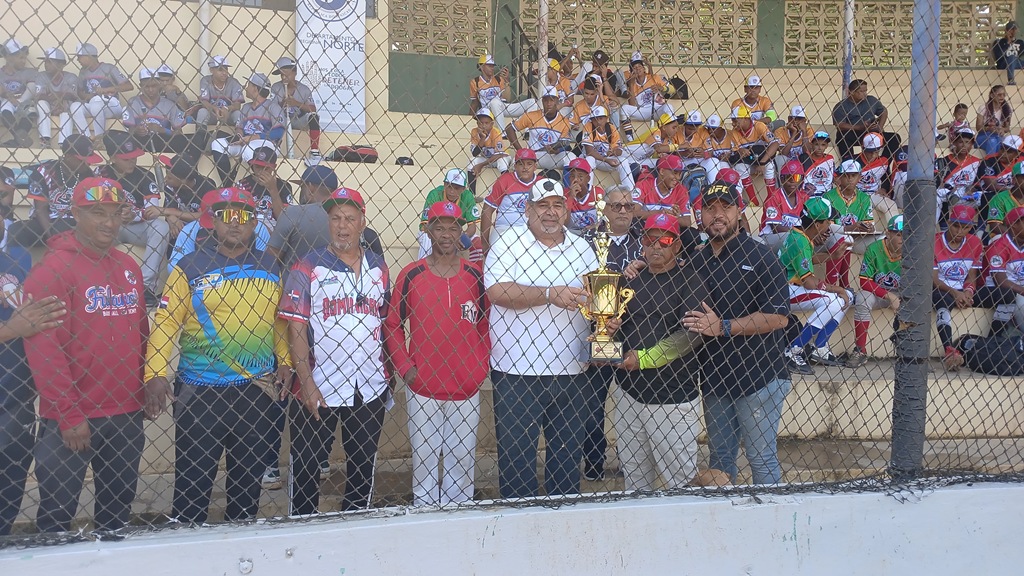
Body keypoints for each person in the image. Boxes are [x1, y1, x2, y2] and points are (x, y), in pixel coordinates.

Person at [145, 187, 292, 525]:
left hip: (256, 391)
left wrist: (285, 359)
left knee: (246, 489)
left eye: (243, 216)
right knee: (192, 487)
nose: (235, 223)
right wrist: (154, 374)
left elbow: (279, 321)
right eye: (226, 216)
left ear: (254, 223)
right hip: (200, 392)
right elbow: (166, 322)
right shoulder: (188, 266)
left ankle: (239, 541)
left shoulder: (271, 266)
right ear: (213, 221)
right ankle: (186, 538)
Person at [24, 177, 147, 534]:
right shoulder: (52, 270)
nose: (109, 222)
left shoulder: (129, 267)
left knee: (116, 514)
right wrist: (67, 413)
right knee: (57, 516)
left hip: (126, 411)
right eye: (97, 213)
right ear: (76, 214)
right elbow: (45, 350)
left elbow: (142, 334)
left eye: (116, 213)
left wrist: (149, 381)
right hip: (73, 415)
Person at [483, 178, 598, 498]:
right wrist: (549, 294)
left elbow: (596, 297)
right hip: (516, 370)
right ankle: (519, 519)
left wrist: (606, 320)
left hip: (572, 370)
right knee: (517, 461)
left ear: (566, 210)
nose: (550, 212)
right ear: (528, 209)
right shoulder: (508, 242)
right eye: (543, 205)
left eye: (557, 205)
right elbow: (497, 291)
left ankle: (562, 519)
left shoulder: (582, 248)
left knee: (566, 461)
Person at [278, 187, 390, 513]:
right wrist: (306, 382)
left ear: (362, 222)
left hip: (368, 385)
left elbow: (384, 322)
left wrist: (387, 374)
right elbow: (296, 328)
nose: (342, 226)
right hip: (320, 384)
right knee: (307, 464)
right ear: (328, 222)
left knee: (362, 465)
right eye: (336, 218)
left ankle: (355, 523)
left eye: (350, 219)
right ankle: (303, 525)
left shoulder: (378, 267)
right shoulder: (307, 267)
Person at [679, 182, 792, 484]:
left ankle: (770, 513)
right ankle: (726, 513)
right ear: (700, 215)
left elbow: (779, 318)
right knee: (720, 459)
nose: (717, 214)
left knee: (761, 457)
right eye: (709, 208)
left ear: (739, 212)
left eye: (725, 207)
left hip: (760, 376)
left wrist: (723, 327)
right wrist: (640, 266)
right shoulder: (697, 260)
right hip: (715, 378)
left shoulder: (762, 256)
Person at [384, 201, 489, 506]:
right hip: (423, 385)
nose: (446, 234)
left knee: (462, 461)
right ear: (428, 231)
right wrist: (405, 367)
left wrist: (479, 367)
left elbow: (485, 324)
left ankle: (459, 514)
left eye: (453, 227)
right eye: (439, 227)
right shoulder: (411, 274)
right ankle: (425, 512)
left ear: (461, 232)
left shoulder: (475, 275)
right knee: (425, 460)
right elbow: (392, 324)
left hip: (466, 385)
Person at [601, 213, 707, 490]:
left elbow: (692, 335)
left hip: (671, 398)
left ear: (677, 245)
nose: (656, 246)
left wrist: (644, 359)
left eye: (665, 240)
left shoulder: (690, 280)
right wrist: (609, 332)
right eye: (650, 240)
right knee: (635, 481)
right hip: (629, 394)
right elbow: (619, 326)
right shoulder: (631, 280)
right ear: (642, 244)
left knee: (682, 484)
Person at [0, 214, 66, 537]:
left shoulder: (17, 258)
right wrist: (10, 330)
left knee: (10, 483)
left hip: (17, 393)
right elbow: (20, 324)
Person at [577, 188, 643, 480]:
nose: (623, 211)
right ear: (605, 210)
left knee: (636, 403)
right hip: (597, 333)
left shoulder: (645, 243)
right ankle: (594, 464)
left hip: (636, 334)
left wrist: (644, 267)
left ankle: (633, 466)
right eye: (616, 206)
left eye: (628, 206)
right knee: (593, 404)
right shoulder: (586, 242)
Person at [95, 130, 170, 306]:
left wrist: (134, 215)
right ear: (113, 158)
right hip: (109, 226)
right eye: (126, 158)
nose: (132, 161)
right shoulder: (100, 174)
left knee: (161, 226)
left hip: (136, 227)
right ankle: (96, 282)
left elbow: (152, 210)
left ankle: (145, 287)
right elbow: (93, 206)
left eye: (133, 157)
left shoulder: (145, 175)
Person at [780, 197, 853, 374]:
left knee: (848, 297)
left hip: (792, 288)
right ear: (818, 224)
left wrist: (832, 256)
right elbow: (809, 282)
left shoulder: (802, 235)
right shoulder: (800, 241)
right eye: (828, 221)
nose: (830, 224)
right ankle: (793, 350)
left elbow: (808, 260)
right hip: (783, 291)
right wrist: (838, 288)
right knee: (832, 300)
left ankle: (819, 347)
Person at [9, 134, 100, 247]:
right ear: (68, 156)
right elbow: (40, 210)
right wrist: (53, 238)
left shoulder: (89, 175)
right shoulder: (44, 171)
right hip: (45, 222)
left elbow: (91, 207)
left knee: (65, 226)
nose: (88, 163)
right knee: (16, 230)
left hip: (76, 222)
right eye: (83, 160)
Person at [847, 215, 904, 368]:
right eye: (898, 234)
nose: (903, 239)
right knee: (862, 298)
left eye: (906, 235)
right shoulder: (874, 248)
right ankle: (860, 350)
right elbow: (865, 282)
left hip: (903, 294)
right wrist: (889, 296)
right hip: (879, 293)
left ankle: (912, 351)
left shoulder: (912, 251)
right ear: (888, 233)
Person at [933, 205, 984, 370]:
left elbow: (971, 276)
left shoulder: (975, 242)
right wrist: (955, 293)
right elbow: (933, 279)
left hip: (962, 290)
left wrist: (968, 291)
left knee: (1005, 295)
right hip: (941, 289)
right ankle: (950, 350)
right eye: (956, 225)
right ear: (948, 223)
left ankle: (992, 344)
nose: (960, 231)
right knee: (942, 299)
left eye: (966, 227)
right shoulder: (934, 241)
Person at [210, 73, 285, 186]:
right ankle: (228, 184)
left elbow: (279, 132)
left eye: (249, 84)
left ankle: (257, 186)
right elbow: (239, 128)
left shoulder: (273, 107)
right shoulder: (246, 107)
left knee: (248, 149)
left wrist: (255, 137)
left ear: (255, 88)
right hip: (246, 142)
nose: (245, 87)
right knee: (217, 144)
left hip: (267, 145)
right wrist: (240, 137)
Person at [122, 68, 206, 158]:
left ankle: (189, 165)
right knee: (121, 138)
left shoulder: (169, 104)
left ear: (159, 85)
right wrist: (137, 130)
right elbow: (130, 130)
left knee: (196, 139)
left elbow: (179, 133)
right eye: (146, 86)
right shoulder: (133, 102)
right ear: (140, 86)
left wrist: (161, 130)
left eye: (154, 86)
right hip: (141, 141)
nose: (150, 89)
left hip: (163, 141)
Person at [823, 159, 876, 288]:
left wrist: (869, 228)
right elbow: (828, 227)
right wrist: (849, 228)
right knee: (844, 238)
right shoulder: (828, 197)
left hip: (858, 238)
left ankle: (875, 281)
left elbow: (869, 222)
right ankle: (838, 284)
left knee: (882, 239)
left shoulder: (864, 198)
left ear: (859, 178)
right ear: (840, 178)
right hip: (834, 238)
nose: (850, 179)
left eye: (854, 175)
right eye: (847, 175)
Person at [481, 148, 540, 250]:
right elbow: (487, 210)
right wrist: (484, 242)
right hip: (504, 229)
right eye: (521, 164)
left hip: (533, 229)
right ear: (515, 166)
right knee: (499, 249)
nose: (525, 168)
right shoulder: (504, 180)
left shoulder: (541, 183)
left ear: (535, 166)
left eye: (529, 164)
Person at [506, 86, 575, 172]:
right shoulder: (532, 116)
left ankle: (567, 181)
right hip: (533, 155)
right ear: (542, 101)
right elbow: (509, 128)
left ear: (557, 101)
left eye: (552, 100)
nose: (549, 103)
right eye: (546, 100)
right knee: (515, 162)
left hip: (552, 157)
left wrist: (555, 150)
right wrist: (521, 151)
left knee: (570, 157)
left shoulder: (564, 121)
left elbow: (565, 144)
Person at [72, 42, 133, 139]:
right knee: (75, 106)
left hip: (111, 104)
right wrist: (88, 96)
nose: (77, 60)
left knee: (96, 105)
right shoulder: (83, 71)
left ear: (89, 56)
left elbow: (129, 86)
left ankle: (99, 139)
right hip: (92, 104)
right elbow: (80, 92)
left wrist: (106, 90)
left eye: (80, 57)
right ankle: (86, 138)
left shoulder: (109, 68)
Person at [417, 168, 481, 260]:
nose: (452, 191)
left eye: (456, 188)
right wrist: (442, 235)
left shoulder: (467, 196)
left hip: (455, 232)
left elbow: (472, 226)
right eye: (449, 186)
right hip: (433, 231)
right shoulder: (435, 194)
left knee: (477, 243)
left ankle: (475, 270)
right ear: (444, 184)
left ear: (463, 189)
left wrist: (463, 236)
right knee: (427, 239)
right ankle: (423, 268)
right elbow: (426, 226)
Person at [148, 154, 217, 238]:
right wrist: (171, 217)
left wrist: (165, 211)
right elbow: (170, 209)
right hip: (179, 226)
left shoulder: (207, 185)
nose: (165, 179)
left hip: (203, 229)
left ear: (184, 181)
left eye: (169, 178)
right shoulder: (169, 186)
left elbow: (204, 216)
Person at [978, 206, 1024, 333]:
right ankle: (998, 335)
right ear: (1013, 225)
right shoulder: (999, 246)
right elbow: (1001, 282)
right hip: (996, 291)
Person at [831, 79, 901, 160]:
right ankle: (849, 162)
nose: (865, 93)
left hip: (871, 132)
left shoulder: (871, 100)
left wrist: (880, 126)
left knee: (894, 138)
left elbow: (883, 111)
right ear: (852, 92)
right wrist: (860, 127)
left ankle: (884, 162)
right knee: (842, 138)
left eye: (866, 91)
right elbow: (840, 125)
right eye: (861, 91)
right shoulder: (841, 106)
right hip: (852, 133)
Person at [270, 57, 322, 160]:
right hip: (282, 120)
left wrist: (296, 103)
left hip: (298, 120)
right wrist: (282, 104)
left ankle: (314, 151)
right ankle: (274, 148)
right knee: (272, 118)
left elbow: (313, 109)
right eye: (281, 75)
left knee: (314, 116)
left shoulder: (304, 89)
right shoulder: (275, 87)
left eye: (286, 74)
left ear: (294, 73)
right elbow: (270, 109)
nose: (283, 77)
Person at [33, 47, 85, 148]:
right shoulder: (41, 75)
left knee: (67, 109)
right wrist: (59, 96)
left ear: (61, 64)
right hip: (48, 106)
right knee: (41, 103)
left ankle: (63, 143)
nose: (46, 64)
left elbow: (72, 96)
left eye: (49, 62)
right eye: (45, 61)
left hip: (65, 107)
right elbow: (39, 96)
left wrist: (57, 96)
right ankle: (45, 140)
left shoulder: (71, 77)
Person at [729, 105, 780, 204]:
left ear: (745, 119)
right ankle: (754, 201)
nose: (733, 123)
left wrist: (762, 162)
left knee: (770, 166)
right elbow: (733, 154)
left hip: (763, 159)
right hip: (749, 161)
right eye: (732, 120)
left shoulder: (759, 126)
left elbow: (775, 144)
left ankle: (771, 198)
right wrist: (740, 150)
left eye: (735, 120)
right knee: (739, 167)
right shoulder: (734, 132)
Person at [233, 145, 293, 229]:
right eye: (257, 167)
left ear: (274, 167)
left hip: (276, 228)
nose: (261, 171)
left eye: (266, 168)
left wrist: (273, 189)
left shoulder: (284, 186)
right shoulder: (242, 184)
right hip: (249, 227)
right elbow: (237, 215)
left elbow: (285, 219)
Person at [932, 128, 982, 222]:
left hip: (967, 196)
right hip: (948, 195)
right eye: (960, 142)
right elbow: (938, 183)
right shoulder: (944, 161)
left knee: (983, 196)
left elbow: (978, 184)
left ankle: (980, 227)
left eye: (967, 142)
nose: (964, 145)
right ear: (954, 143)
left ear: (972, 145)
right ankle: (937, 226)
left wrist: (971, 191)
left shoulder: (977, 162)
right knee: (938, 196)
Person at [760, 159, 810, 252]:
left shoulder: (804, 198)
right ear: (782, 179)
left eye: (796, 177)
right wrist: (804, 234)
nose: (792, 181)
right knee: (796, 240)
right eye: (788, 177)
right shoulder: (774, 197)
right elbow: (776, 228)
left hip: (797, 236)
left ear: (802, 180)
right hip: (770, 237)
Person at [631, 154, 693, 226]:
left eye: (680, 174)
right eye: (675, 173)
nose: (678, 178)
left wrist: (675, 218)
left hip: (670, 229)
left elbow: (687, 222)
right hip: (645, 228)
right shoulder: (644, 185)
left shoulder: (681, 190)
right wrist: (659, 213)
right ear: (662, 171)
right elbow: (632, 213)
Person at [618, 52, 673, 129]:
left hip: (657, 109)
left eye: (639, 66)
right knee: (624, 108)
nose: (637, 69)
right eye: (635, 68)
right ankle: (630, 136)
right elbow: (632, 105)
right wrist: (631, 85)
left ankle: (668, 133)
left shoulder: (653, 77)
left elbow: (673, 90)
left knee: (669, 107)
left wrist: (662, 88)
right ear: (632, 72)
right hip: (642, 111)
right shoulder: (631, 84)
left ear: (644, 69)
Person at [582, 106, 631, 189]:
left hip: (606, 160)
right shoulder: (588, 126)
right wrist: (606, 160)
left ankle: (630, 191)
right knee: (589, 159)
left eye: (601, 118)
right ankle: (588, 190)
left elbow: (618, 149)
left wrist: (614, 152)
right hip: (594, 160)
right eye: (595, 119)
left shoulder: (611, 128)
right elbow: (589, 152)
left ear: (606, 118)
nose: (598, 122)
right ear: (592, 120)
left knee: (624, 161)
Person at [0, 39, 38, 147]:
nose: (24, 61)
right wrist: (9, 97)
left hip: (24, 101)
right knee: (5, 108)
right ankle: (21, 139)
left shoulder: (29, 72)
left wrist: (20, 101)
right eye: (20, 58)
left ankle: (16, 142)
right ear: (8, 57)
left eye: (25, 58)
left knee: (30, 110)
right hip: (6, 101)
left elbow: (32, 88)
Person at [196, 55, 244, 137]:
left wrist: (227, 108)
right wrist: (215, 109)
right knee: (202, 112)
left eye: (226, 69)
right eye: (220, 70)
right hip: (213, 114)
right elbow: (204, 102)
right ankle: (199, 139)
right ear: (211, 70)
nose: (224, 73)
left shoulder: (233, 82)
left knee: (238, 114)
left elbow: (237, 105)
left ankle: (238, 138)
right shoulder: (205, 80)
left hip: (228, 115)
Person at [466, 109, 510, 193]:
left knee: (502, 163)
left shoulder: (495, 132)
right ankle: (472, 194)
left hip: (499, 158)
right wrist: (482, 138)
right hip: (486, 159)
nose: (483, 125)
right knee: (471, 161)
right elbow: (474, 153)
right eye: (480, 123)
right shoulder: (474, 131)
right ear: (477, 123)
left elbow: (499, 155)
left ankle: (507, 190)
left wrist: (481, 165)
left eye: (486, 123)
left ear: (492, 124)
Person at [986, 159, 1024, 238]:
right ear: (1014, 179)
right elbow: (995, 226)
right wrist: (1019, 236)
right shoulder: (1000, 198)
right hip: (1005, 238)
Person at [564, 158, 603, 231]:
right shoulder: (564, 193)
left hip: (595, 231)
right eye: (572, 176)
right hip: (572, 233)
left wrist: (596, 226)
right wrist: (571, 197)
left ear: (588, 178)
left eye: (580, 176)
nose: (575, 179)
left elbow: (607, 218)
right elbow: (564, 223)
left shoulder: (597, 192)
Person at [975, 85, 1013, 156]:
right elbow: (978, 127)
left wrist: (1002, 129)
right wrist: (989, 129)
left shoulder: (1007, 109)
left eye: (1004, 95)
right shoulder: (983, 108)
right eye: (999, 95)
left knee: (1001, 141)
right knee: (992, 141)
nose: (1002, 97)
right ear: (992, 95)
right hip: (984, 136)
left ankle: (993, 161)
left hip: (998, 136)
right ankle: (991, 161)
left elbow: (1007, 128)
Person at [799, 131, 836, 197]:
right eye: (816, 144)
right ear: (811, 145)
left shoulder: (829, 159)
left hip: (826, 195)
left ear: (826, 146)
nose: (819, 148)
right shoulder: (805, 158)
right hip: (808, 194)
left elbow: (834, 176)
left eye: (823, 145)